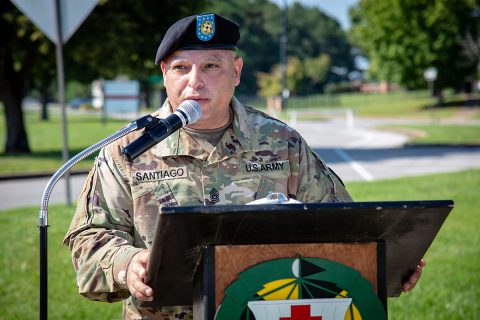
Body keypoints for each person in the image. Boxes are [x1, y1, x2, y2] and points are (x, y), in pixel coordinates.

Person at [63, 13, 423, 320]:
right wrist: (127, 264)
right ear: (164, 74)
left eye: (211, 66)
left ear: (236, 71)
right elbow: (88, 241)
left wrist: (386, 263)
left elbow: (343, 225)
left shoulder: (282, 142)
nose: (195, 81)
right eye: (181, 68)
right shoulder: (127, 150)